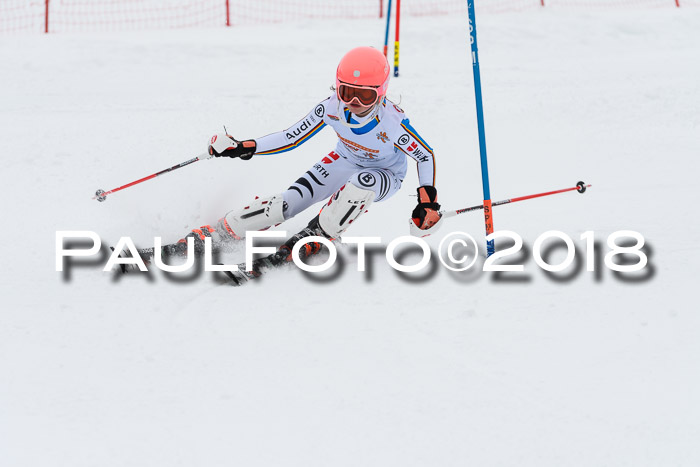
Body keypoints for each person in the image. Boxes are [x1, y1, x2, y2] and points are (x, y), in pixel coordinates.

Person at [145, 46, 441, 278]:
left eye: (365, 96)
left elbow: (424, 155)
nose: (354, 103)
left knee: (360, 185)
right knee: (289, 201)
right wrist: (245, 146)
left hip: (384, 172)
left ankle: (319, 235)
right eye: (347, 92)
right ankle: (220, 233)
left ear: (382, 92)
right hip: (345, 159)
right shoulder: (331, 108)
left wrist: (427, 202)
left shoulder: (392, 123)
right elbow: (291, 137)